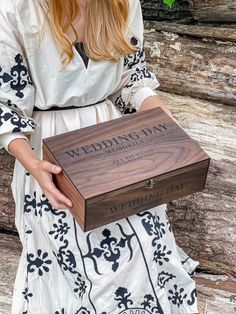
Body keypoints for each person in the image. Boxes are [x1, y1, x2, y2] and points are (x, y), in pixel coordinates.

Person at [0, 0, 199, 313]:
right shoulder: (15, 8)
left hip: (110, 140)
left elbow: (131, 76)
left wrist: (156, 108)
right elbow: (5, 105)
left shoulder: (122, 2)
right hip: (48, 151)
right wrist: (32, 164)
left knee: (147, 241)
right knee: (83, 267)